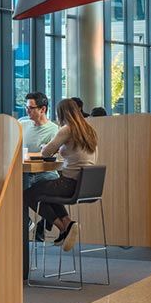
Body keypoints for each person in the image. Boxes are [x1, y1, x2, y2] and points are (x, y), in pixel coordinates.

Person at [24, 99, 97, 252]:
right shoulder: (88, 129)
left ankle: (64, 227)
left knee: (28, 195)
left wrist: (49, 147)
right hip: (86, 185)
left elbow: (45, 152)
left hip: (69, 184)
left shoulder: (67, 129)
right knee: (48, 190)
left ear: (61, 113)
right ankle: (68, 224)